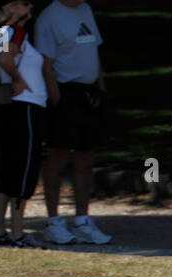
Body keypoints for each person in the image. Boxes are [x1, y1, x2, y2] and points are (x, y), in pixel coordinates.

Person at [32, 0, 111, 244]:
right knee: (58, 155)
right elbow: (45, 62)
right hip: (65, 93)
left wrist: (100, 87)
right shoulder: (49, 17)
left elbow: (93, 50)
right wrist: (56, 97)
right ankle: (54, 221)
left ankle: (82, 220)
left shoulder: (85, 9)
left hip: (88, 93)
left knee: (85, 158)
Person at [0, 0, 47, 247]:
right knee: (25, 165)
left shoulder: (1, 33)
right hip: (27, 106)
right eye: (23, 4)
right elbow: (5, 60)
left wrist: (5, 80)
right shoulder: (17, 32)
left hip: (9, 108)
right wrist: (18, 80)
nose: (29, 7)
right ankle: (18, 232)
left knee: (9, 164)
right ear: (11, 8)